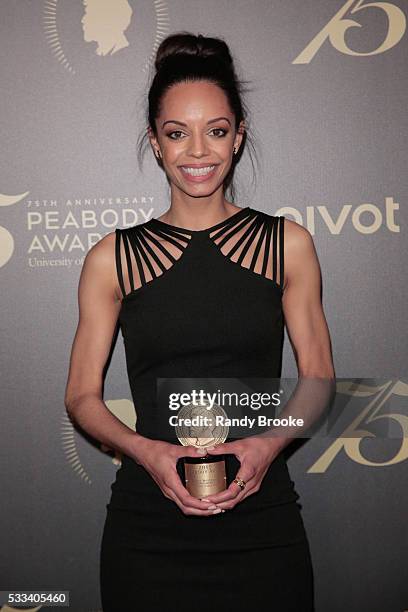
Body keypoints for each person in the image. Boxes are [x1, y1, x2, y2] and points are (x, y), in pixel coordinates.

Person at [64, 31, 335, 611]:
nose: (198, 152)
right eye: (176, 133)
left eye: (216, 130)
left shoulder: (286, 245)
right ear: (155, 144)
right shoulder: (112, 258)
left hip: (263, 524)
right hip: (147, 531)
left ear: (238, 138)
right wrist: (145, 450)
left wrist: (267, 446)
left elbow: (318, 379)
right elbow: (82, 397)